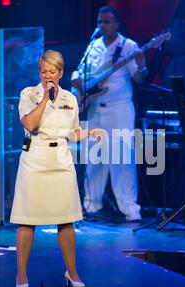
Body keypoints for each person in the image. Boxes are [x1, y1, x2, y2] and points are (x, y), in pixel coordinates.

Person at [10, 50, 106, 287]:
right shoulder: (29, 94)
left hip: (61, 161)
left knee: (66, 220)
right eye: (43, 71)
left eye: (52, 72)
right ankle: (21, 274)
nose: (47, 76)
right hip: (35, 159)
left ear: (61, 73)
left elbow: (71, 133)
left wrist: (89, 132)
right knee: (27, 219)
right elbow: (30, 125)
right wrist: (45, 99)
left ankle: (72, 272)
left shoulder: (70, 99)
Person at [70, 6, 147, 222]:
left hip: (119, 108)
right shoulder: (93, 45)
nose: (101, 25)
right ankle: (91, 205)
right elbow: (80, 70)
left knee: (122, 158)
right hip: (95, 106)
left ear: (116, 24)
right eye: (99, 21)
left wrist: (142, 66)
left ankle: (129, 208)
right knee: (95, 158)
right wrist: (77, 82)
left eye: (106, 22)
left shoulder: (128, 46)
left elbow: (140, 78)